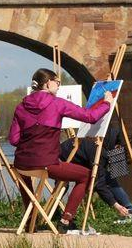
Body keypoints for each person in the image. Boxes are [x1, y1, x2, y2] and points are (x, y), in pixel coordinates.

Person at [8, 68, 114, 233]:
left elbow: (14, 140)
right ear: (47, 83)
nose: (58, 86)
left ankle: (30, 220)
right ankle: (66, 220)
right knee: (85, 175)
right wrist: (106, 103)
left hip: (21, 163)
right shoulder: (57, 103)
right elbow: (90, 117)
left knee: (24, 174)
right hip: (47, 164)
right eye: (57, 82)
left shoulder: (21, 107)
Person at [60, 124, 132, 218]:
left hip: (72, 153)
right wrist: (116, 206)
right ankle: (128, 209)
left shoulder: (113, 135)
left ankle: (129, 208)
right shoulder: (102, 150)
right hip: (65, 159)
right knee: (95, 179)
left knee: (107, 177)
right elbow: (100, 184)